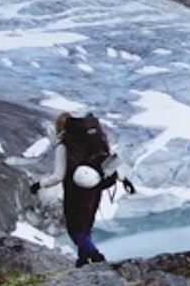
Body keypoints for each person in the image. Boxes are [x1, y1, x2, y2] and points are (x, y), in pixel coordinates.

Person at [30, 111, 129, 268]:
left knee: (75, 230)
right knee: (85, 226)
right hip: (95, 188)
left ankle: (97, 258)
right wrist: (123, 179)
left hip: (76, 191)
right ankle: (83, 260)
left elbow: (58, 175)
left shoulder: (65, 144)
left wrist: (40, 184)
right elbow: (108, 162)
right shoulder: (95, 139)